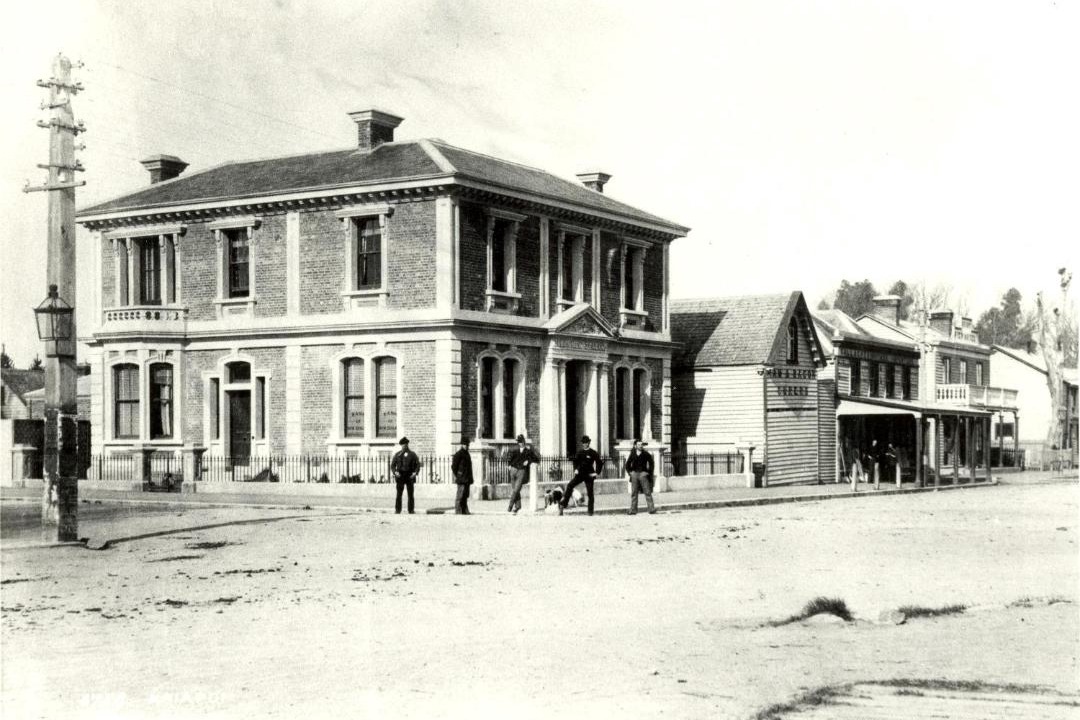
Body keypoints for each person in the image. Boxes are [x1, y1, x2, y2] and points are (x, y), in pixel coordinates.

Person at [561, 435, 603, 516]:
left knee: (590, 493)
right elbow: (575, 462)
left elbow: (599, 462)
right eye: (583, 443)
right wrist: (576, 469)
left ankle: (590, 511)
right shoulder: (580, 452)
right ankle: (564, 503)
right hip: (580, 474)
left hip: (589, 475)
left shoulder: (593, 452)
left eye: (586, 443)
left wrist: (596, 473)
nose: (585, 444)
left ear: (589, 443)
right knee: (570, 485)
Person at [506, 434, 540, 514]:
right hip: (513, 471)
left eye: (521, 442)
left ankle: (510, 505)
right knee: (515, 489)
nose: (520, 443)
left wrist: (528, 461)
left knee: (516, 489)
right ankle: (518, 507)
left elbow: (537, 459)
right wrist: (509, 465)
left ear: (524, 441)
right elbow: (510, 460)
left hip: (522, 471)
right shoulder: (515, 451)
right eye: (518, 442)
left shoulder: (528, 451)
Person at [624, 437, 656, 515]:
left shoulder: (646, 453)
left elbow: (652, 463)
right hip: (634, 474)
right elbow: (627, 464)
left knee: (647, 492)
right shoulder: (633, 454)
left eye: (641, 445)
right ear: (635, 445)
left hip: (643, 474)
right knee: (634, 493)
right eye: (639, 444)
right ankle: (633, 510)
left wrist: (648, 472)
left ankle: (651, 509)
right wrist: (630, 472)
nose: (640, 446)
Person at [390, 437, 421, 514]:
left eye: (405, 445)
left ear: (407, 445)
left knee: (410, 494)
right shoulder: (397, 455)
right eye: (402, 445)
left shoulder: (412, 454)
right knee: (399, 494)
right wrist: (395, 472)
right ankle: (397, 510)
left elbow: (418, 465)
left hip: (409, 476)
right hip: (400, 476)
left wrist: (415, 473)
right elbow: (392, 465)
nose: (404, 446)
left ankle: (411, 510)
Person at [452, 436, 473, 515]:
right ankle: (458, 510)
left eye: (468, 445)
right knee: (460, 496)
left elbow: (469, 467)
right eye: (466, 445)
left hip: (467, 478)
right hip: (461, 478)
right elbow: (454, 466)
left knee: (465, 495)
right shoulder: (458, 454)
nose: (467, 446)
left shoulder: (467, 454)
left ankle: (464, 510)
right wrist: (458, 475)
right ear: (462, 445)